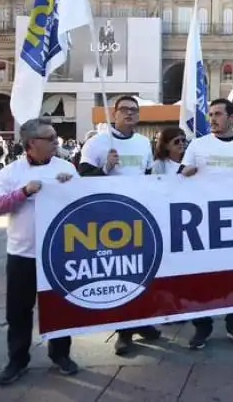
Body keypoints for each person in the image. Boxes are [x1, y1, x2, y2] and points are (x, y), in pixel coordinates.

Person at [0, 118, 79, 386]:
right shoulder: (11, 172)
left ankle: (60, 354)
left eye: (55, 137)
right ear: (31, 144)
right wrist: (24, 192)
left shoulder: (66, 167)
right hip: (22, 253)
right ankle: (17, 359)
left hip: (60, 252)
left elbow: (85, 203)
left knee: (61, 307)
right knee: (18, 311)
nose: (56, 141)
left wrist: (71, 185)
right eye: (49, 138)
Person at [78, 96, 162, 355]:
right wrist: (105, 168)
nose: (129, 114)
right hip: (111, 217)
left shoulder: (142, 143)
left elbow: (147, 176)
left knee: (145, 272)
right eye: (124, 110)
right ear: (113, 114)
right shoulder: (97, 143)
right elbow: (82, 177)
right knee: (123, 275)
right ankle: (124, 332)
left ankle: (143, 322)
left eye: (134, 110)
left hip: (140, 215)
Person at [181, 98, 233, 349]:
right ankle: (202, 327)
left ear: (232, 117)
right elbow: (179, 179)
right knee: (201, 276)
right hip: (202, 223)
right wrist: (184, 174)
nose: (212, 119)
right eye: (210, 114)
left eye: (217, 114)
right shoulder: (197, 145)